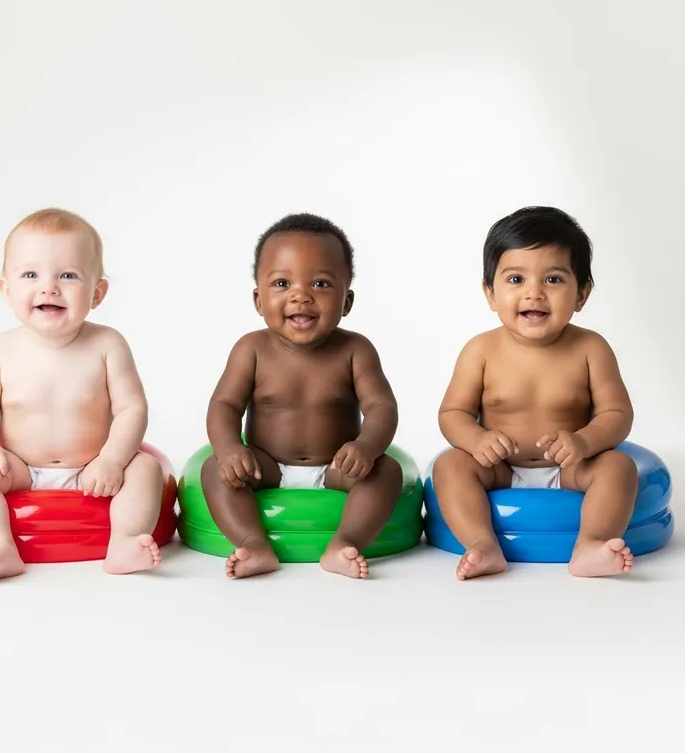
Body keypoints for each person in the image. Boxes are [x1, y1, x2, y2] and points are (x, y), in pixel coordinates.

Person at [0, 208, 163, 584]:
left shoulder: (108, 344)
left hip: (92, 467)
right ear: (7, 289)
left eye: (68, 275)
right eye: (30, 275)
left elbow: (132, 409)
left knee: (145, 468)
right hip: (20, 468)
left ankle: (125, 542)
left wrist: (112, 461)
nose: (48, 287)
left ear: (97, 293)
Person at [434, 206, 637, 580]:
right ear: (490, 293)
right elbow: (453, 413)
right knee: (449, 465)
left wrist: (583, 441)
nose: (534, 293)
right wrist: (477, 439)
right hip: (500, 469)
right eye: (515, 279)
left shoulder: (591, 349)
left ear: (582, 294)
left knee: (619, 467)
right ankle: (483, 544)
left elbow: (616, 414)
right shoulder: (480, 350)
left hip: (570, 468)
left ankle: (590, 544)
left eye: (554, 280)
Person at [201, 213, 403, 579]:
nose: (301, 296)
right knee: (215, 469)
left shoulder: (356, 350)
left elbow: (380, 406)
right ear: (258, 300)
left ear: (347, 302)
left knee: (387, 470)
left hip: (336, 468)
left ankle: (345, 542)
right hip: (267, 465)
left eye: (321, 284)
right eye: (282, 282)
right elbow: (224, 405)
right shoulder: (251, 349)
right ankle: (253, 544)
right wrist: (230, 448)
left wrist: (367, 446)